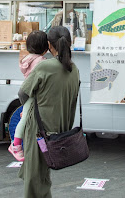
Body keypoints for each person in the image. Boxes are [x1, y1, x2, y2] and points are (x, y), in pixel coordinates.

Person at [18, 26, 80, 198]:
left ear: (49, 45)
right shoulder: (74, 69)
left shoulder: (45, 67)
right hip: (60, 129)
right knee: (41, 172)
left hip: (39, 128)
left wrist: (29, 107)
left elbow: (23, 93)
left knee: (34, 174)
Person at [8, 31, 49, 161]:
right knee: (33, 122)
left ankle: (40, 148)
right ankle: (16, 146)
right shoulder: (41, 62)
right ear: (46, 48)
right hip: (35, 95)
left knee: (31, 122)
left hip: (30, 94)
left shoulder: (27, 59)